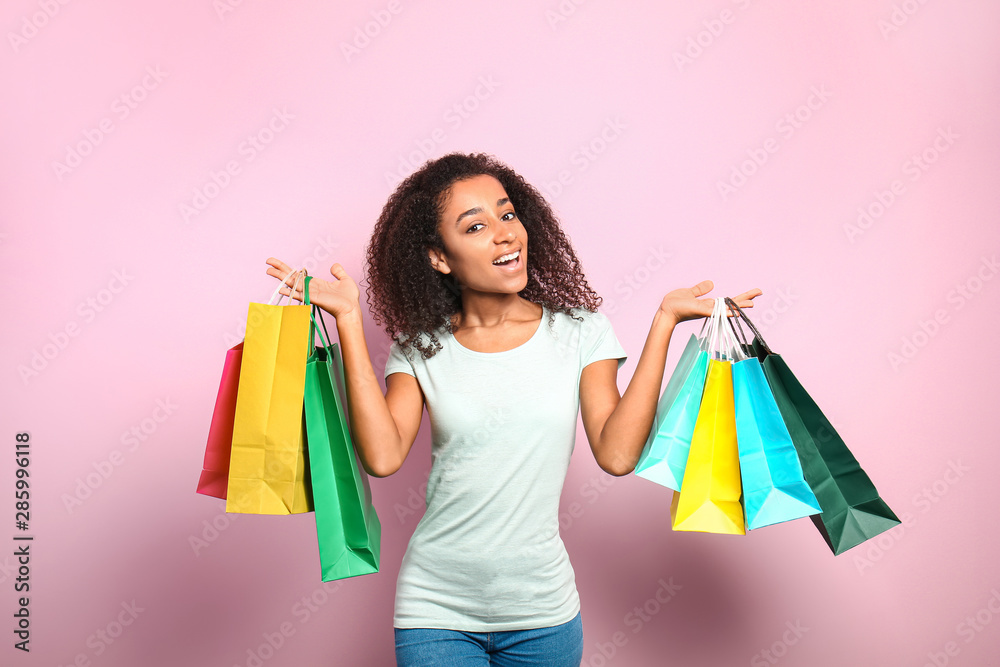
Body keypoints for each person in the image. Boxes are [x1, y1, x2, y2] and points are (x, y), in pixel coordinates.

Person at [266, 152, 760, 666]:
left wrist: (664, 321)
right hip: (436, 609)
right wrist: (348, 319)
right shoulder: (420, 348)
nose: (505, 234)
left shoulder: (580, 333)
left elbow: (617, 455)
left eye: (507, 214)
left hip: (542, 613)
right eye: (476, 226)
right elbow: (383, 456)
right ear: (440, 257)